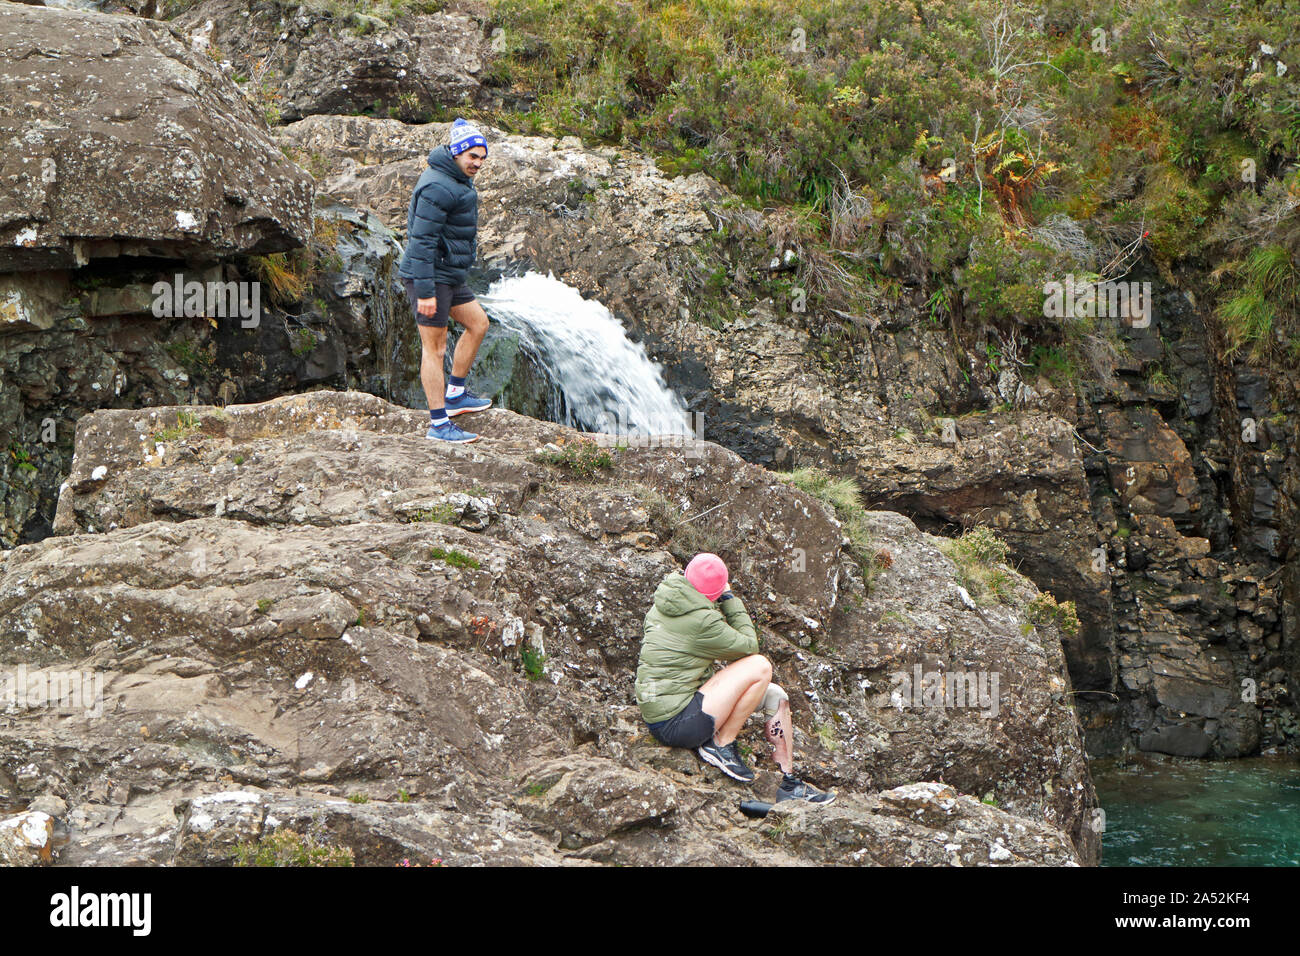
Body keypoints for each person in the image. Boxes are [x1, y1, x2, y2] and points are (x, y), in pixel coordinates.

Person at [634, 553, 835, 805]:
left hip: (670, 709)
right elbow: (749, 645)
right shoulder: (703, 620)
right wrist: (728, 598)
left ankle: (788, 781)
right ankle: (721, 745)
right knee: (760, 666)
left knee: (776, 696)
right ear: (714, 593)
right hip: (676, 722)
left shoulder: (667, 601)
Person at [397, 117, 494, 443]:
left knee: (479, 323)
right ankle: (439, 424)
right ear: (456, 153)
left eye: (482, 158)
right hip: (429, 278)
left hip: (449, 275)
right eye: (472, 157)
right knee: (435, 349)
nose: (477, 163)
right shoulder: (438, 186)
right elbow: (420, 242)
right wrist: (425, 291)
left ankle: (455, 395)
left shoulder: (456, 178)